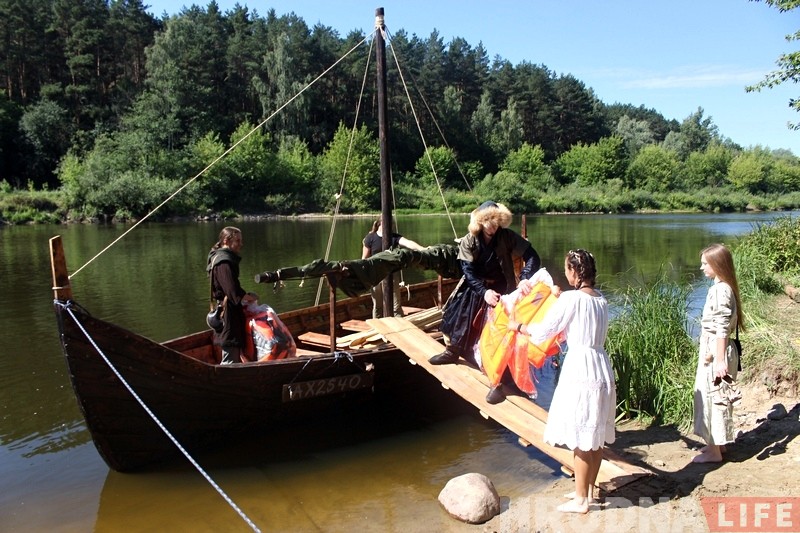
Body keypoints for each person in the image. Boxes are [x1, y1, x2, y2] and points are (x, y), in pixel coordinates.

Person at [508, 249, 615, 514]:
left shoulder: (571, 298)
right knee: (595, 434)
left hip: (580, 367)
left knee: (581, 435)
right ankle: (588, 491)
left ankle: (581, 501)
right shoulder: (601, 299)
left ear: (575, 272)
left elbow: (545, 330)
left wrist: (518, 327)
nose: (565, 273)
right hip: (600, 364)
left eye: (567, 269)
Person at [429, 201, 541, 381]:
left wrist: (525, 277)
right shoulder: (469, 240)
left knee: (499, 329)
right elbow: (467, 271)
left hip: (503, 288)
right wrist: (484, 292)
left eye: (496, 222)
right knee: (461, 320)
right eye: (489, 223)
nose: (493, 227)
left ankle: (499, 370)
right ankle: (452, 352)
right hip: (477, 288)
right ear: (480, 222)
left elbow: (533, 256)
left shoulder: (507, 236)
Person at [692, 243, 744, 463]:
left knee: (714, 398)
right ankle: (718, 446)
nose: (702, 267)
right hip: (716, 348)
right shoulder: (723, 287)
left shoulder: (721, 289)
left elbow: (722, 327)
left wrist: (720, 359)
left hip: (717, 350)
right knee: (715, 395)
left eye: (705, 263)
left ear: (717, 265)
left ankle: (714, 452)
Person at [206, 227, 257, 364]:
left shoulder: (222, 257)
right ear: (226, 241)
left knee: (232, 348)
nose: (241, 244)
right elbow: (232, 291)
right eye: (238, 240)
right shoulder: (224, 261)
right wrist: (248, 297)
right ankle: (226, 380)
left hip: (227, 309)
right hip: (228, 313)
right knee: (231, 349)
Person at [362, 219, 425, 318]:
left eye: (391, 223)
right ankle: (377, 328)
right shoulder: (370, 238)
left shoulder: (394, 237)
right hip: (375, 275)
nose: (390, 225)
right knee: (378, 306)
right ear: (380, 223)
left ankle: (399, 327)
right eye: (387, 223)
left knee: (396, 306)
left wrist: (422, 249)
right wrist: (365, 274)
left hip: (392, 274)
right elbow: (364, 259)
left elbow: (408, 243)